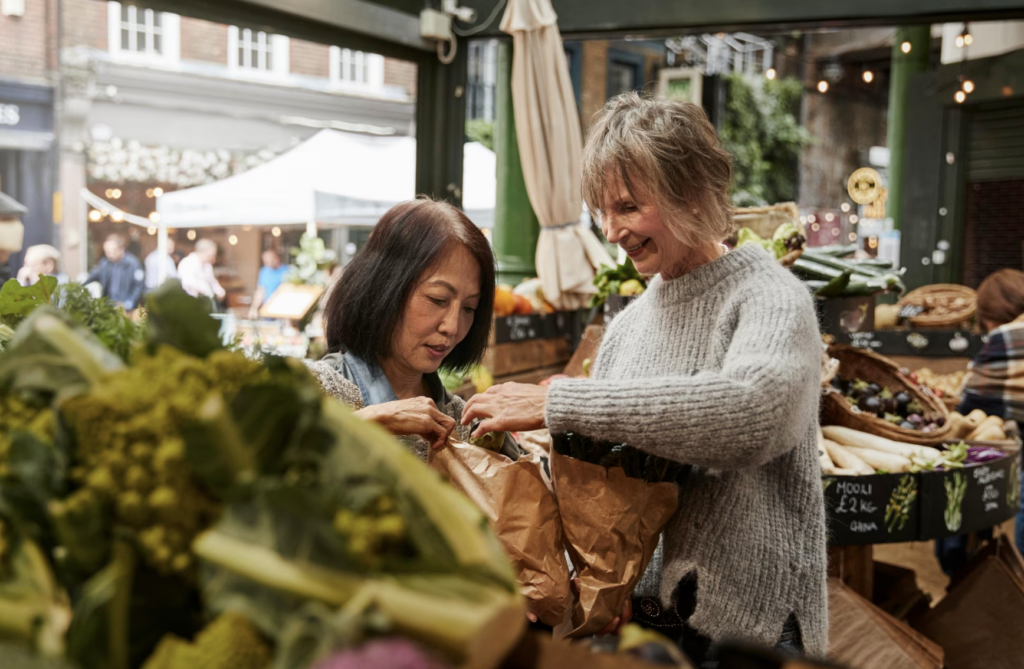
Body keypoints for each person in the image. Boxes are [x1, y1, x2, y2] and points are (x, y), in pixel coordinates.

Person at [461, 93, 826, 664]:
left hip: (751, 626)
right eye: (601, 210)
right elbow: (606, 485)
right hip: (650, 625)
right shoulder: (628, 327)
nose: (611, 229)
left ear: (692, 192)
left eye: (627, 206)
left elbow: (756, 414)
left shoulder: (770, 297)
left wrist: (560, 402)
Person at [304, 198, 517, 462]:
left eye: (469, 308)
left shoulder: (464, 423)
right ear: (384, 287)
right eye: (437, 300)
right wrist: (368, 423)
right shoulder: (315, 390)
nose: (452, 327)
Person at [936, 268, 1024, 570]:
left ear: (992, 313)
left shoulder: (1005, 337)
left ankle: (960, 571)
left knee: (964, 470)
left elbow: (972, 404)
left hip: (1015, 451)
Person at [84, 234, 145, 311]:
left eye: (112, 251)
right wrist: (79, 284)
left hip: (126, 307)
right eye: (107, 252)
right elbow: (93, 275)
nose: (109, 255)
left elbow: (138, 286)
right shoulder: (105, 264)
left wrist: (130, 302)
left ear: (121, 249)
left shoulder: (133, 264)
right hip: (109, 306)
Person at [178, 238, 226, 303]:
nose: (213, 259)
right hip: (191, 302)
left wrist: (220, 291)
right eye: (211, 256)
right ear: (203, 252)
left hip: (205, 302)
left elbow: (212, 281)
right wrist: (206, 289)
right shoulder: (187, 263)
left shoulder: (207, 266)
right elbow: (187, 284)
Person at [248, 248, 289, 319]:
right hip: (267, 309)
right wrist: (254, 308)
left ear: (276, 258)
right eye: (266, 262)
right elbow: (261, 291)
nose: (269, 264)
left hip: (283, 310)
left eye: (271, 261)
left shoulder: (287, 271)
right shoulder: (264, 271)